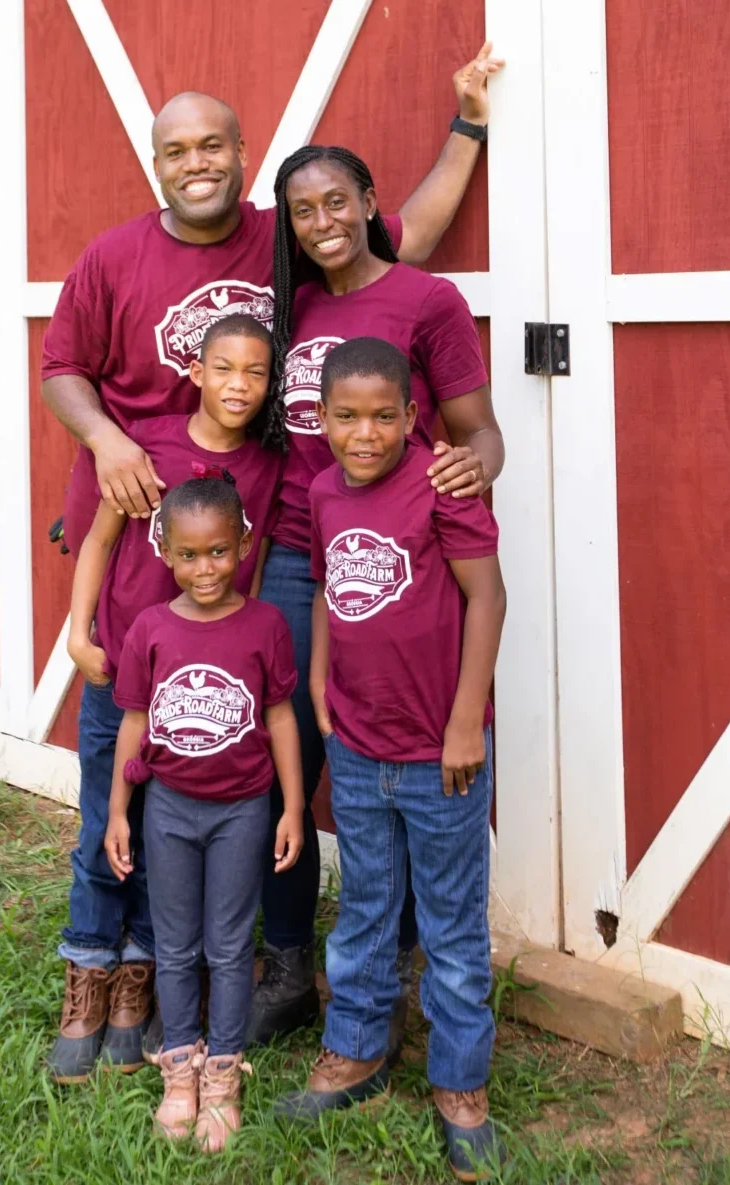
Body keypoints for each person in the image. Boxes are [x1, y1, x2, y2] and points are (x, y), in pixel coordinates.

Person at [41, 45, 503, 1072]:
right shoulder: (120, 256)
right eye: (177, 148)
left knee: (296, 749)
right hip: (199, 551)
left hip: (300, 548)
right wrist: (110, 447)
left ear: (244, 156)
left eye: (214, 144)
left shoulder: (284, 241)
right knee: (180, 747)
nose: (197, 161)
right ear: (154, 160)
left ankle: (344, 960)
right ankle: (171, 964)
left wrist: (467, 124)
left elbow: (400, 236)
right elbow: (62, 369)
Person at [246, 146, 504, 1048]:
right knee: (296, 755)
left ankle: (396, 972)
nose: (321, 223)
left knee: (397, 748)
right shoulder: (293, 304)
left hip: (398, 546)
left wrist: (472, 473)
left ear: (368, 202)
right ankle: (287, 959)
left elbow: (479, 434)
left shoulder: (425, 302)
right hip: (296, 548)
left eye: (337, 203)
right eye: (302, 210)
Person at [274, 338, 507, 1184]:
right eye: (345, 417)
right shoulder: (328, 492)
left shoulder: (442, 482)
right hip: (362, 744)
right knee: (367, 903)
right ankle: (356, 1049)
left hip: (438, 753)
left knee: (450, 925)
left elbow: (488, 595)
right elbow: (336, 589)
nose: (363, 434)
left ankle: (460, 1084)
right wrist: (323, 676)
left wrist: (466, 724)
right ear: (322, 420)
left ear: (412, 416)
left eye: (383, 416)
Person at [47, 315, 285, 1082]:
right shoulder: (143, 441)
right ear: (196, 370)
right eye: (224, 368)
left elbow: (260, 569)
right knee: (103, 823)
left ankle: (142, 978)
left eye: (256, 371)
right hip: (125, 671)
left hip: (201, 687)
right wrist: (78, 631)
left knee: (166, 838)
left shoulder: (264, 465)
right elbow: (100, 539)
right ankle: (89, 971)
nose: (239, 386)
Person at [105, 475, 304, 1152]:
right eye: (189, 555)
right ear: (164, 551)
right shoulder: (151, 629)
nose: (205, 568)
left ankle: (223, 1072)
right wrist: (118, 812)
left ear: (245, 544)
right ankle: (180, 1070)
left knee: (227, 944)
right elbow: (133, 723)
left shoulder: (266, 625)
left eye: (219, 551)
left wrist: (294, 806)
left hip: (242, 809)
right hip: (166, 809)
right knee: (176, 943)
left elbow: (280, 718)